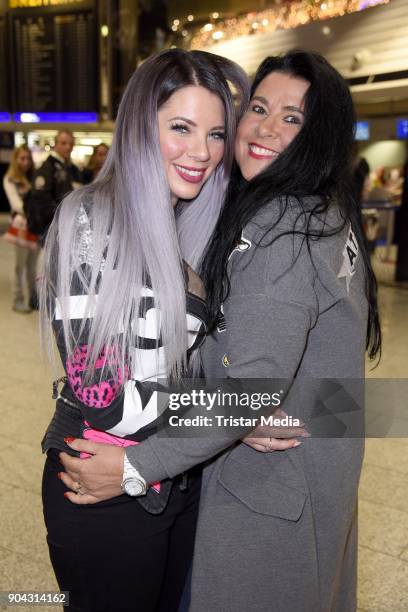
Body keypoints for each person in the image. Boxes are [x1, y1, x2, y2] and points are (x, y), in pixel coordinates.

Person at [59, 50, 381, 612]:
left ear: (320, 133)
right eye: (258, 108)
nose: (262, 129)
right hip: (152, 474)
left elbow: (260, 386)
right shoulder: (323, 215)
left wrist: (241, 409)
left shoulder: (284, 224)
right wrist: (235, 410)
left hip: (256, 494)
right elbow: (106, 388)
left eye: (292, 117)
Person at [40, 49, 251, 612]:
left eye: (214, 134)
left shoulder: (193, 225)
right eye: (180, 127)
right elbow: (107, 400)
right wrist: (237, 412)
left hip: (176, 482)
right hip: (102, 492)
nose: (200, 152)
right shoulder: (90, 219)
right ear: (138, 127)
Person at [24, 130, 82, 240]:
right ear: (55, 144)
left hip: (67, 225)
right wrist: (59, 218)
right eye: (64, 143)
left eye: (71, 144)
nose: (68, 147)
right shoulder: (47, 167)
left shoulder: (72, 169)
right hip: (52, 226)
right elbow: (41, 199)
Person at [3, 145, 39, 313]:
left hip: (35, 226)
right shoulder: (10, 179)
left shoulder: (35, 177)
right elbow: (16, 204)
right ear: (16, 160)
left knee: (32, 266)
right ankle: (17, 299)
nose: (25, 162)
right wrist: (35, 208)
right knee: (19, 266)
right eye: (22, 158)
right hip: (20, 226)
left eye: (28, 158)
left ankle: (33, 298)